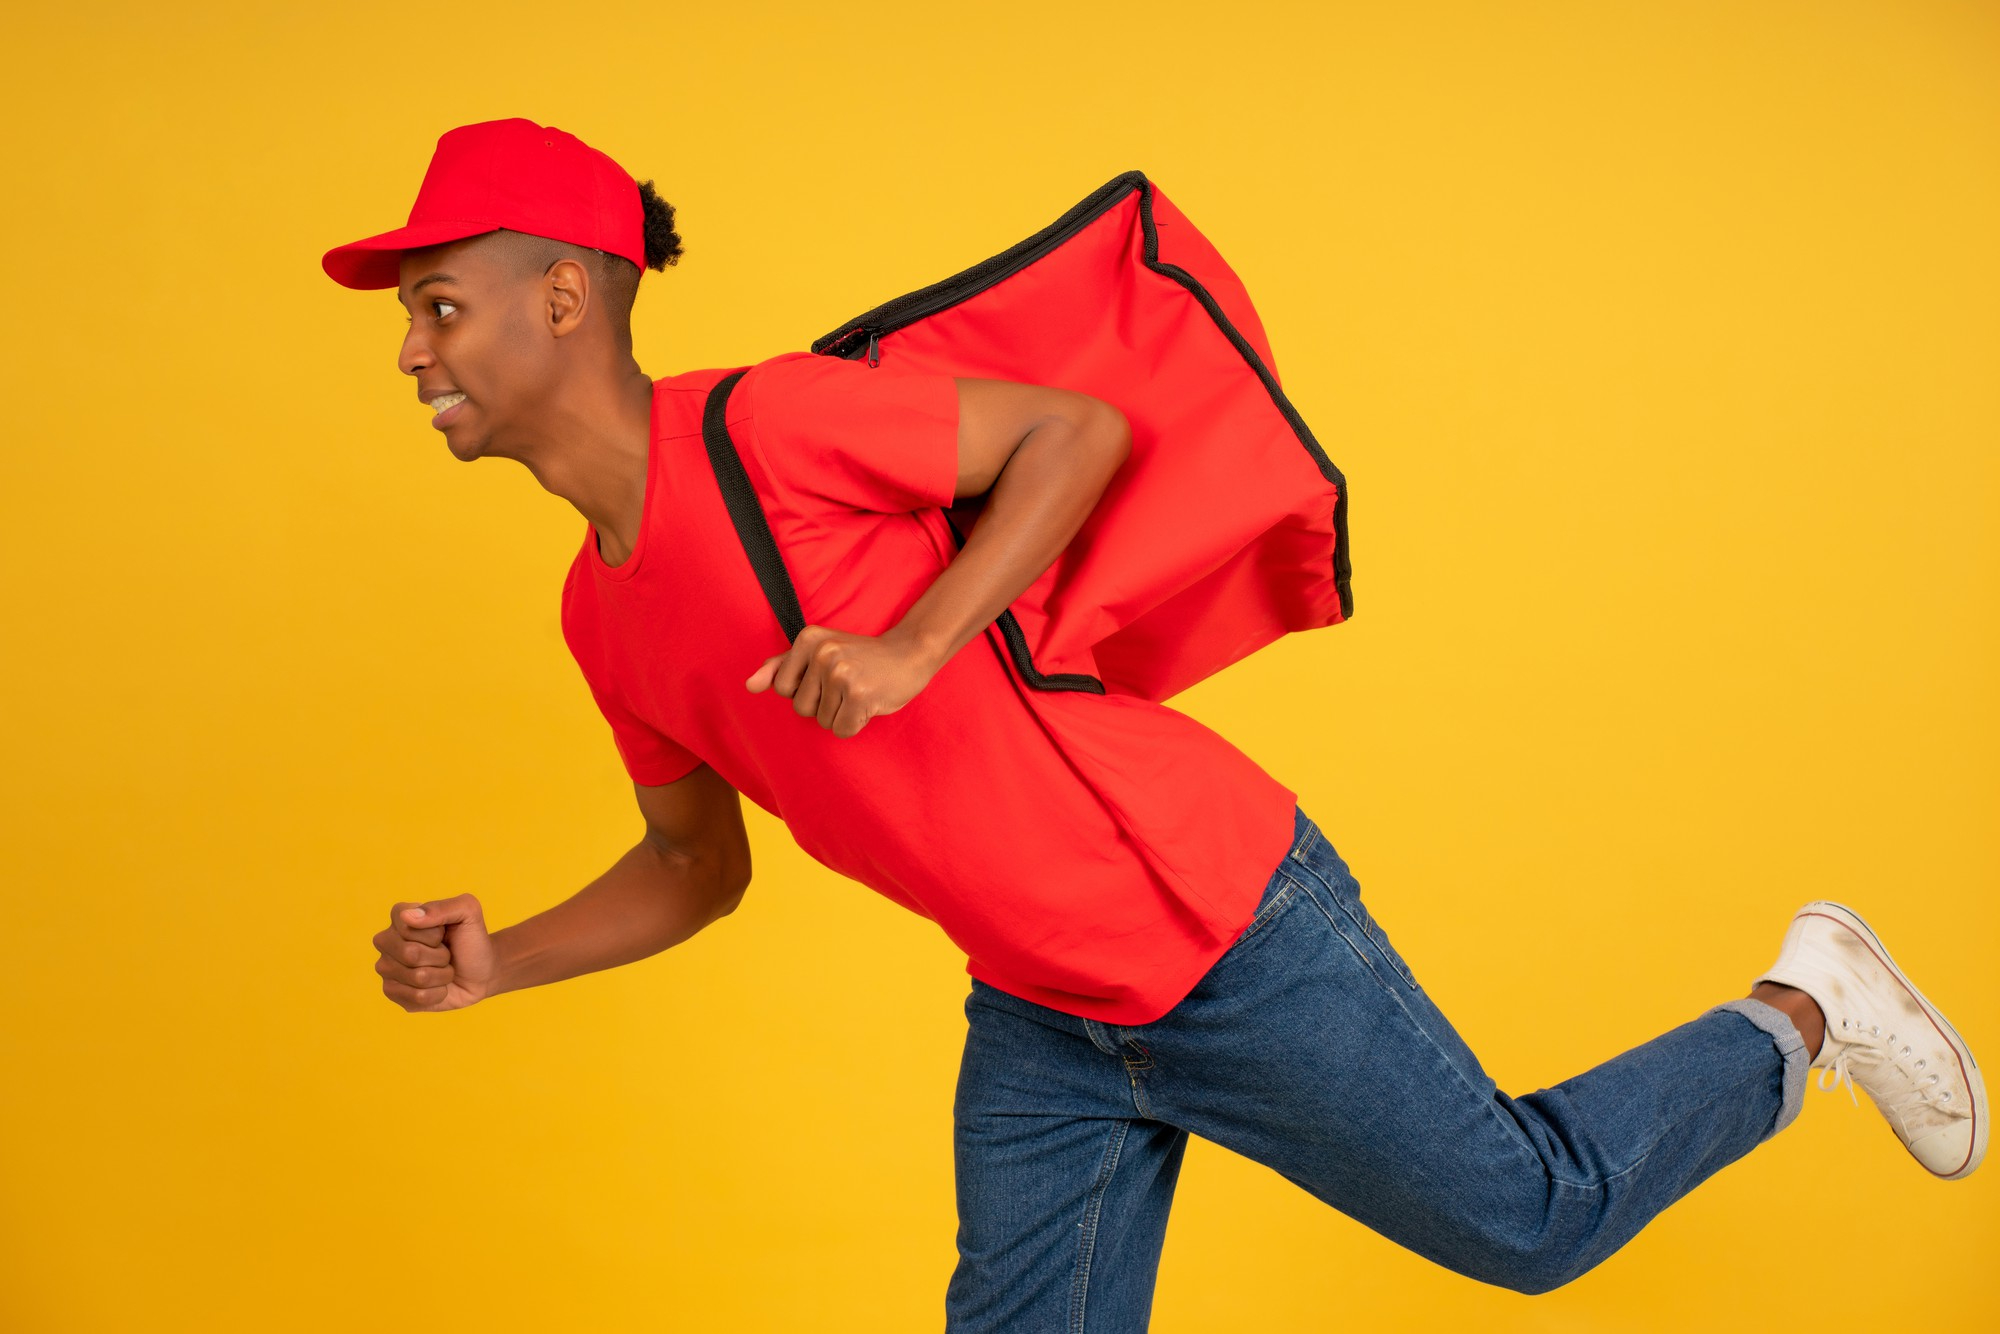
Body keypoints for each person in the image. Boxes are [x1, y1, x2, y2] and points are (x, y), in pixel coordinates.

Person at [332, 119, 1986, 1330]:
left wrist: (914, 641)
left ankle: (1804, 1009)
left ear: (564, 295)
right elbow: (697, 866)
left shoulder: (768, 425)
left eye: (439, 305)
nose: (412, 350)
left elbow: (1076, 429)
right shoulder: (593, 606)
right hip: (1043, 1006)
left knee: (1531, 1218)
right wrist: (508, 958)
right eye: (407, 318)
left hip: (1217, 923)